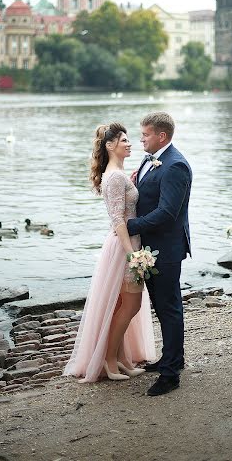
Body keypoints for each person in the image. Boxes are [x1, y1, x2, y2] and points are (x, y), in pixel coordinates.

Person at [63, 123, 155, 382]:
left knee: (123, 307)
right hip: (125, 247)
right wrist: (132, 255)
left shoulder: (119, 174)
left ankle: (123, 360)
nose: (130, 143)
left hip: (129, 244)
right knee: (131, 305)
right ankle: (109, 360)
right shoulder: (114, 177)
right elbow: (117, 219)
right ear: (110, 145)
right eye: (124, 140)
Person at [128, 112, 192, 396]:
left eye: (145, 134)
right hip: (149, 248)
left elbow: (167, 213)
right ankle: (172, 359)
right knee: (161, 305)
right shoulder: (150, 158)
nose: (140, 139)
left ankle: (170, 375)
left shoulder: (175, 165)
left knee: (169, 308)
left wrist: (130, 225)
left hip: (165, 249)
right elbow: (147, 194)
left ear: (161, 136)